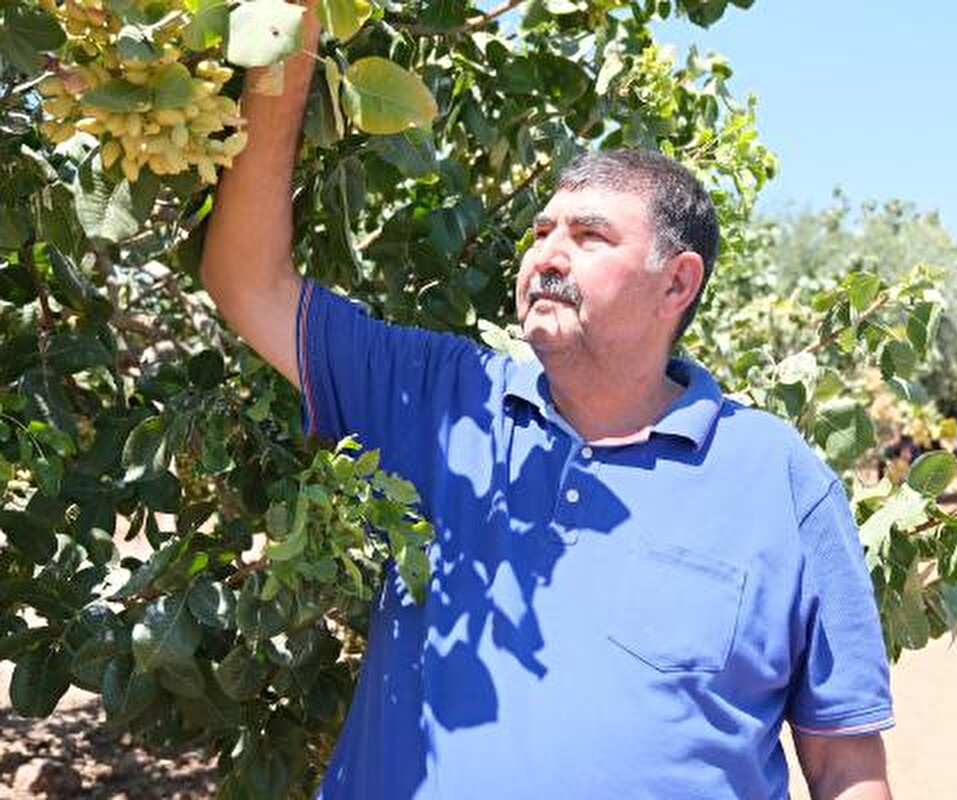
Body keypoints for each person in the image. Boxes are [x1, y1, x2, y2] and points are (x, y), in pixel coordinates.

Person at [200, 7, 894, 799]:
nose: (547, 255)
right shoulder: (444, 399)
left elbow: (845, 766)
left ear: (678, 282)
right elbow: (246, 282)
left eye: (589, 236)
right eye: (539, 232)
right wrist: (286, 41)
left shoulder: (781, 483)